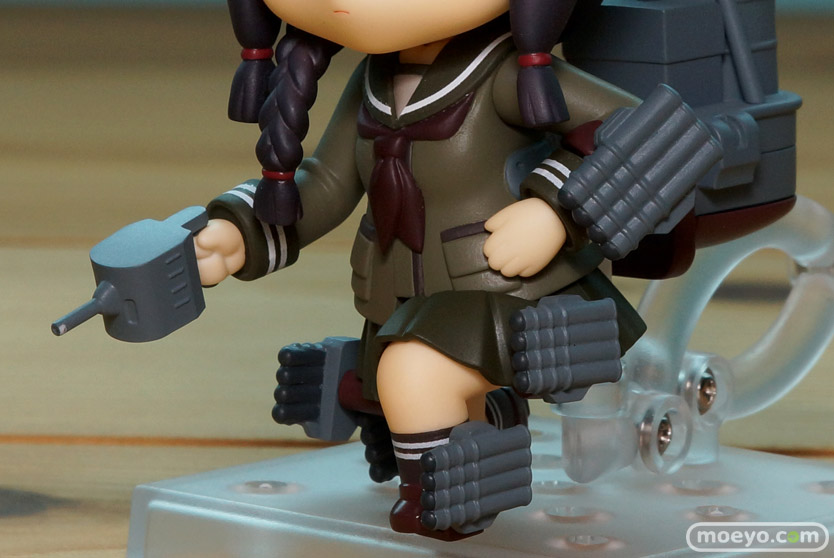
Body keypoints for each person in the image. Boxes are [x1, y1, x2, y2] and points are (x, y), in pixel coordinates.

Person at [195, 0, 646, 539]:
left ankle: (447, 501)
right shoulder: (374, 81)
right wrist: (240, 230)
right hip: (403, 294)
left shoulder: (505, 75)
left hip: (507, 291)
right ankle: (481, 428)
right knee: (377, 387)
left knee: (411, 373)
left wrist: (555, 209)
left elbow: (644, 131)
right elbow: (328, 183)